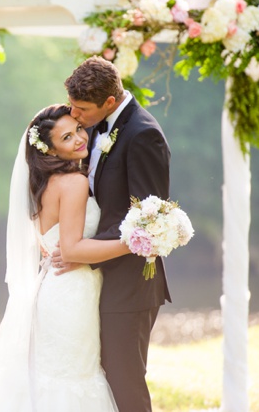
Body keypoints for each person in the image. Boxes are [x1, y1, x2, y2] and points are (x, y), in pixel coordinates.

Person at [0, 104, 133, 411]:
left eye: (78, 130)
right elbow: (70, 250)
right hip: (70, 293)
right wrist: (134, 242)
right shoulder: (74, 183)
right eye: (67, 138)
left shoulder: (48, 183)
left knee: (54, 378)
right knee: (71, 381)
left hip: (56, 288)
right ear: (52, 151)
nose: (80, 139)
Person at [53, 56, 172, 411]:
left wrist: (80, 252)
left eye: (81, 109)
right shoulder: (98, 126)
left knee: (125, 382)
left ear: (109, 102)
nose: (74, 116)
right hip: (100, 281)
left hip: (130, 286)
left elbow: (149, 222)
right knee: (103, 378)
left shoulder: (143, 135)